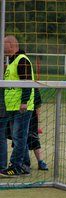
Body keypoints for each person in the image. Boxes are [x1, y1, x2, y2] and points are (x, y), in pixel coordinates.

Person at [0, 35, 35, 177]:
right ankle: (25, 165)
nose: (2, 47)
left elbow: (27, 83)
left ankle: (16, 167)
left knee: (19, 137)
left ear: (11, 45)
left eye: (4, 44)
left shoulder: (22, 60)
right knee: (18, 137)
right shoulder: (12, 61)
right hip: (13, 106)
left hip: (21, 106)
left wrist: (24, 102)